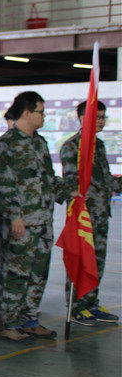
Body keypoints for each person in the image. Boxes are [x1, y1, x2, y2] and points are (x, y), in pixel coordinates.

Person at [0, 92, 73, 342]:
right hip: (20, 223)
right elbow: (2, 184)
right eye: (41, 112)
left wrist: (69, 191)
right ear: (27, 113)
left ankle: (30, 319)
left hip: (43, 220)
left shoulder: (40, 143)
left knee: (38, 272)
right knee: (16, 272)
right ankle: (10, 322)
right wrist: (15, 216)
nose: (44, 116)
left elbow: (47, 178)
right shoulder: (5, 145)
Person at [60, 100, 122, 325]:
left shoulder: (100, 145)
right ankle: (76, 306)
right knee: (81, 259)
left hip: (101, 213)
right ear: (82, 118)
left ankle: (91, 302)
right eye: (97, 117)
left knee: (97, 262)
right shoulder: (72, 147)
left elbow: (106, 180)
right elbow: (70, 184)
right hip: (83, 216)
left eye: (103, 117)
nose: (101, 121)